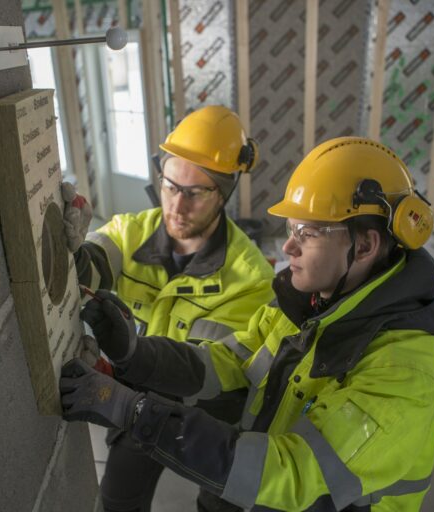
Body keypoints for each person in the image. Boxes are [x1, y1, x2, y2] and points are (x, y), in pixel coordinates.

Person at [60, 136, 434, 511]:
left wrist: (134, 410)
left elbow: (293, 474)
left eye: (307, 232)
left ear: (364, 247)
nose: (287, 247)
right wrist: (136, 354)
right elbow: (227, 363)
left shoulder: (403, 372)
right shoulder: (308, 306)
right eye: (290, 228)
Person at [62, 105, 276, 512]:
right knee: (118, 500)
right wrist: (70, 251)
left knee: (221, 505)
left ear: (224, 192)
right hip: (140, 401)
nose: (177, 206)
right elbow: (95, 264)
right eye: (170, 185)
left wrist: (124, 367)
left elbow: (215, 373)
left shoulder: (251, 279)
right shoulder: (130, 231)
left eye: (195, 193)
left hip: (213, 419)